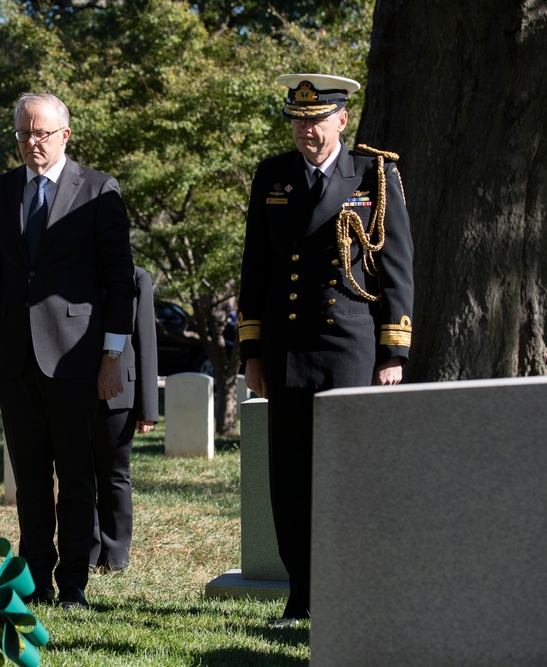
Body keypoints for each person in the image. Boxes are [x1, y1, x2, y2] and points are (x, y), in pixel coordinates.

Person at [238, 73, 414, 627]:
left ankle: (354, 589)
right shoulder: (273, 176)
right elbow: (257, 269)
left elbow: (397, 269)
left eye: (316, 121)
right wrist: (252, 352)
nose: (306, 131)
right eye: (297, 120)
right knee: (289, 478)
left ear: (341, 120)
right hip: (287, 349)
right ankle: (302, 593)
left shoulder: (374, 175)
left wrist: (393, 352)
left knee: (349, 475)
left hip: (350, 348)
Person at [0, 92, 136, 611]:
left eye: (40, 133)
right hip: (17, 359)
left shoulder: (97, 189)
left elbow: (118, 278)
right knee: (30, 478)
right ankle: (35, 581)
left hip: (76, 356)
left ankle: (73, 585)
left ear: (65, 134)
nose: (31, 143)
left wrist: (112, 355)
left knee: (76, 473)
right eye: (23, 133)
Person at [89, 265, 159, 573]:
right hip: (75, 389)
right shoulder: (74, 270)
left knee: (114, 474)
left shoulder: (136, 276)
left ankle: (116, 554)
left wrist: (147, 408)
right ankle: (89, 552)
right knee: (78, 475)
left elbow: (146, 341)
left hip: (122, 394)